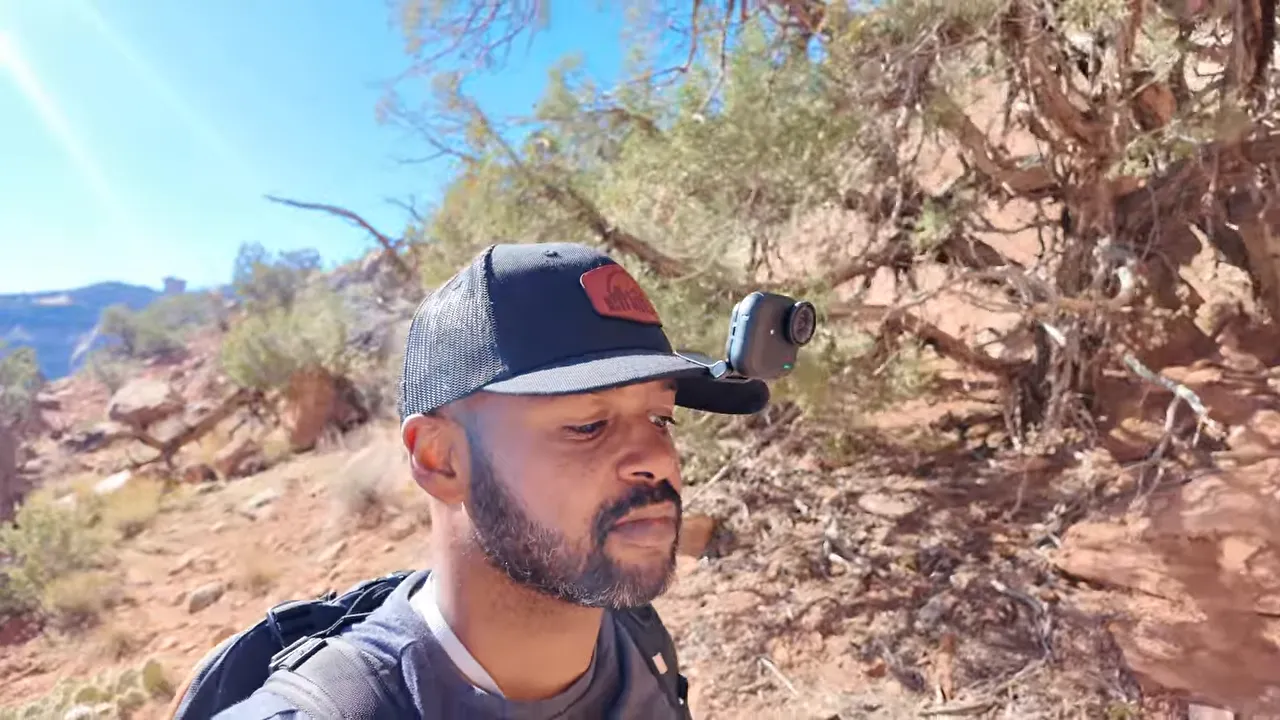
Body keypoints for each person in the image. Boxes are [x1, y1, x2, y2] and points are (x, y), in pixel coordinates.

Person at [209, 242, 769, 719]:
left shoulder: (635, 639)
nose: (657, 459)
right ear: (441, 460)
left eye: (661, 418)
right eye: (587, 425)